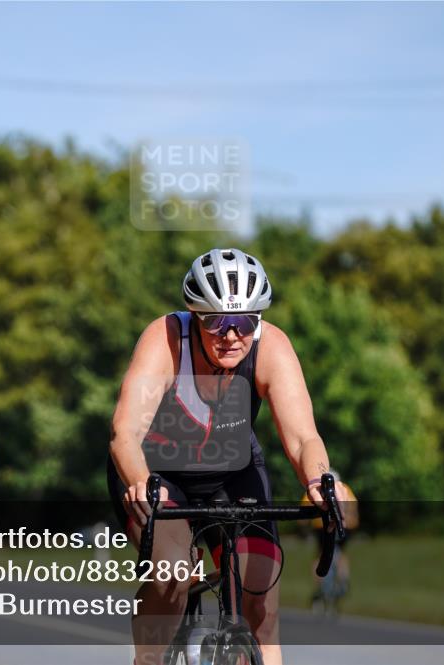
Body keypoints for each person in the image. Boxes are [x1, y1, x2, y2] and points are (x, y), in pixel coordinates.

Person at [108, 248, 335, 665]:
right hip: (158, 473)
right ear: (195, 316)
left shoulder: (273, 348)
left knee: (261, 603)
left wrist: (320, 481)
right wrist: (142, 484)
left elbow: (303, 438)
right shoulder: (165, 340)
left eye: (245, 322)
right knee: (173, 576)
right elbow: (125, 433)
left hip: (232, 470)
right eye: (216, 322)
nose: (231, 335)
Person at [303, 470, 359, 616]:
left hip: (321, 528)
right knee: (341, 555)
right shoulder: (345, 489)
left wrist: (304, 530)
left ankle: (320, 585)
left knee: (320, 555)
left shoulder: (316, 488)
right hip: (344, 526)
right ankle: (343, 579)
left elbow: (303, 513)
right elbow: (354, 510)